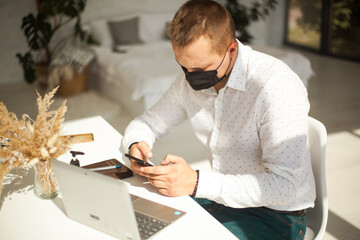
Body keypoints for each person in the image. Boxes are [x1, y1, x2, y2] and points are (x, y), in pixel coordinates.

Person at [122, 0, 315, 239]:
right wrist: (135, 144)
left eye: (201, 69)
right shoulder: (189, 81)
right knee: (140, 221)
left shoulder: (276, 85)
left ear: (231, 50)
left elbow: (286, 186)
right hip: (221, 199)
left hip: (276, 214)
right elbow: (148, 123)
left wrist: (196, 182)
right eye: (183, 67)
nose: (191, 78)